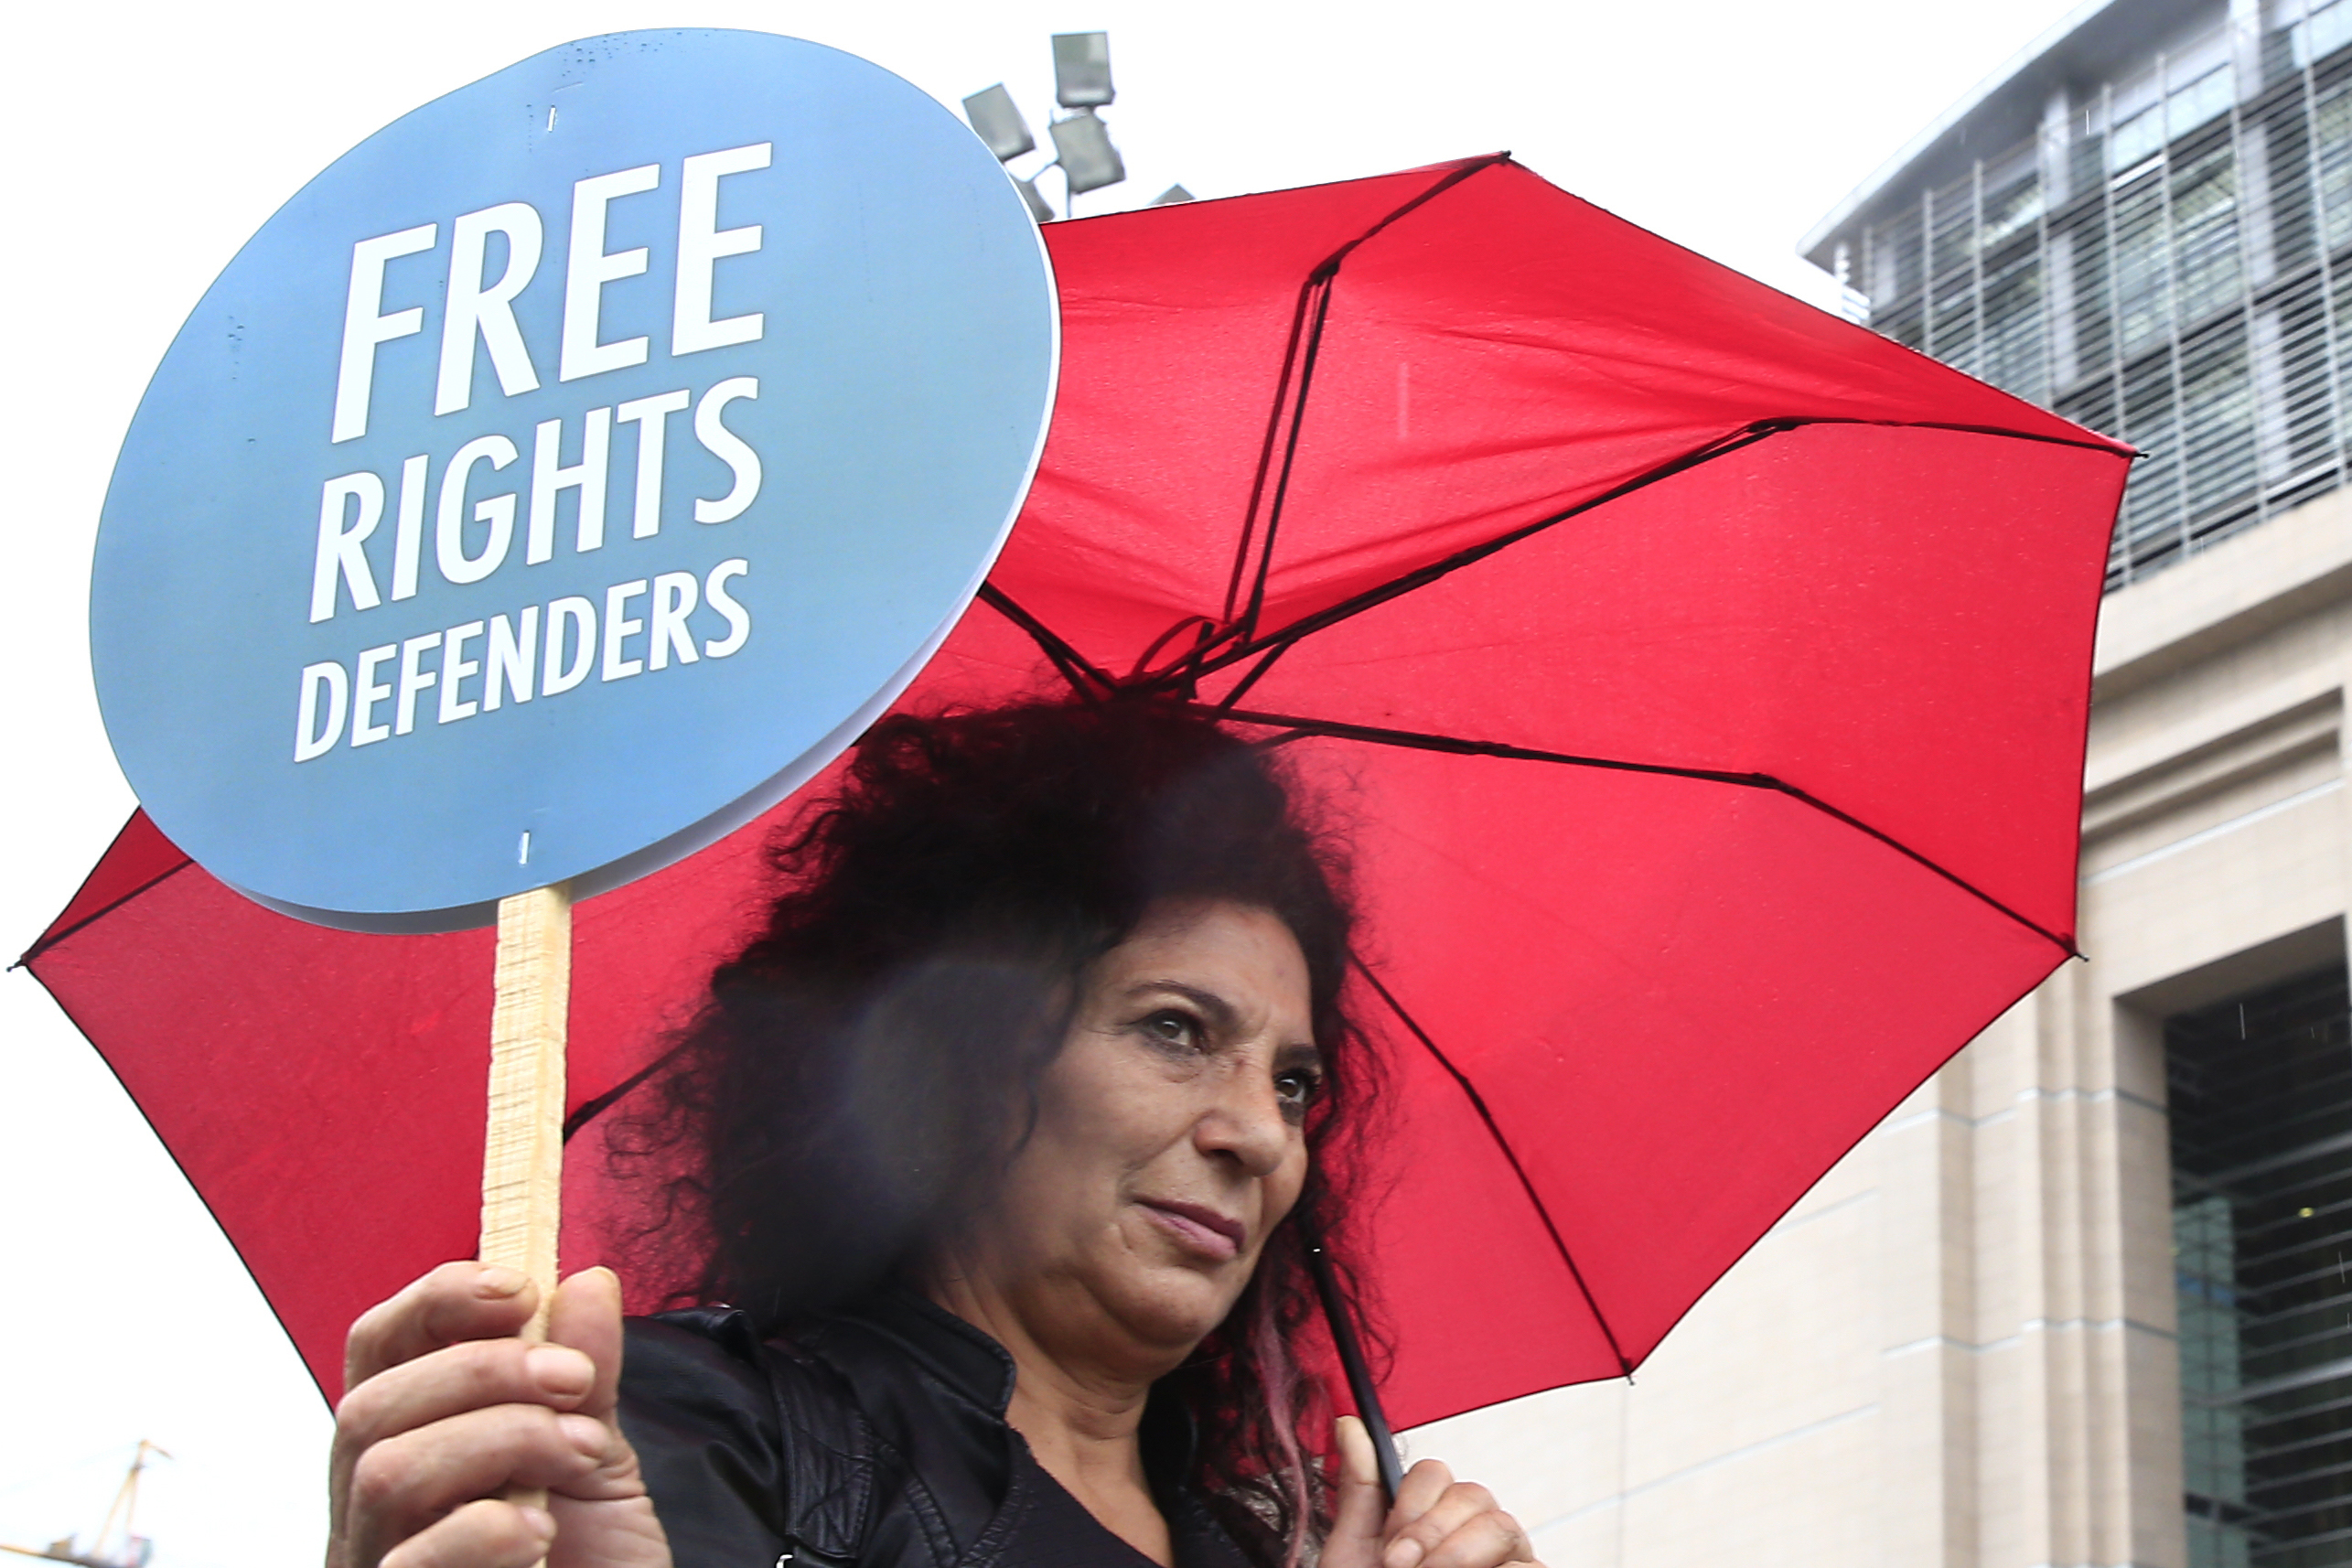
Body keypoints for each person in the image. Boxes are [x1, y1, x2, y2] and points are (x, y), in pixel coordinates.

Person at [326, 698, 1542, 1568]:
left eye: (1292, 1082)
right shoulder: (688, 1434)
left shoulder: (1274, 1546)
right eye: (1175, 1028)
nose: (1260, 1137)